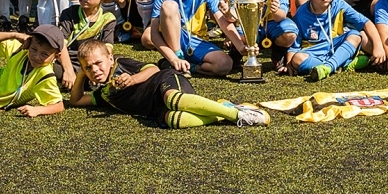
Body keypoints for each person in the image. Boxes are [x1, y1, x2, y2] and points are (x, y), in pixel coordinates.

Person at [68, 31, 268, 127]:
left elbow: (153, 68)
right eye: (88, 68)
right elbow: (76, 101)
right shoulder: (104, 93)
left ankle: (238, 116)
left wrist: (134, 79)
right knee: (173, 120)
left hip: (164, 81)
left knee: (172, 99)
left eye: (98, 63)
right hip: (154, 110)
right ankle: (223, 110)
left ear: (109, 58)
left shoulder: (119, 63)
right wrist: (80, 75)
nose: (94, 69)